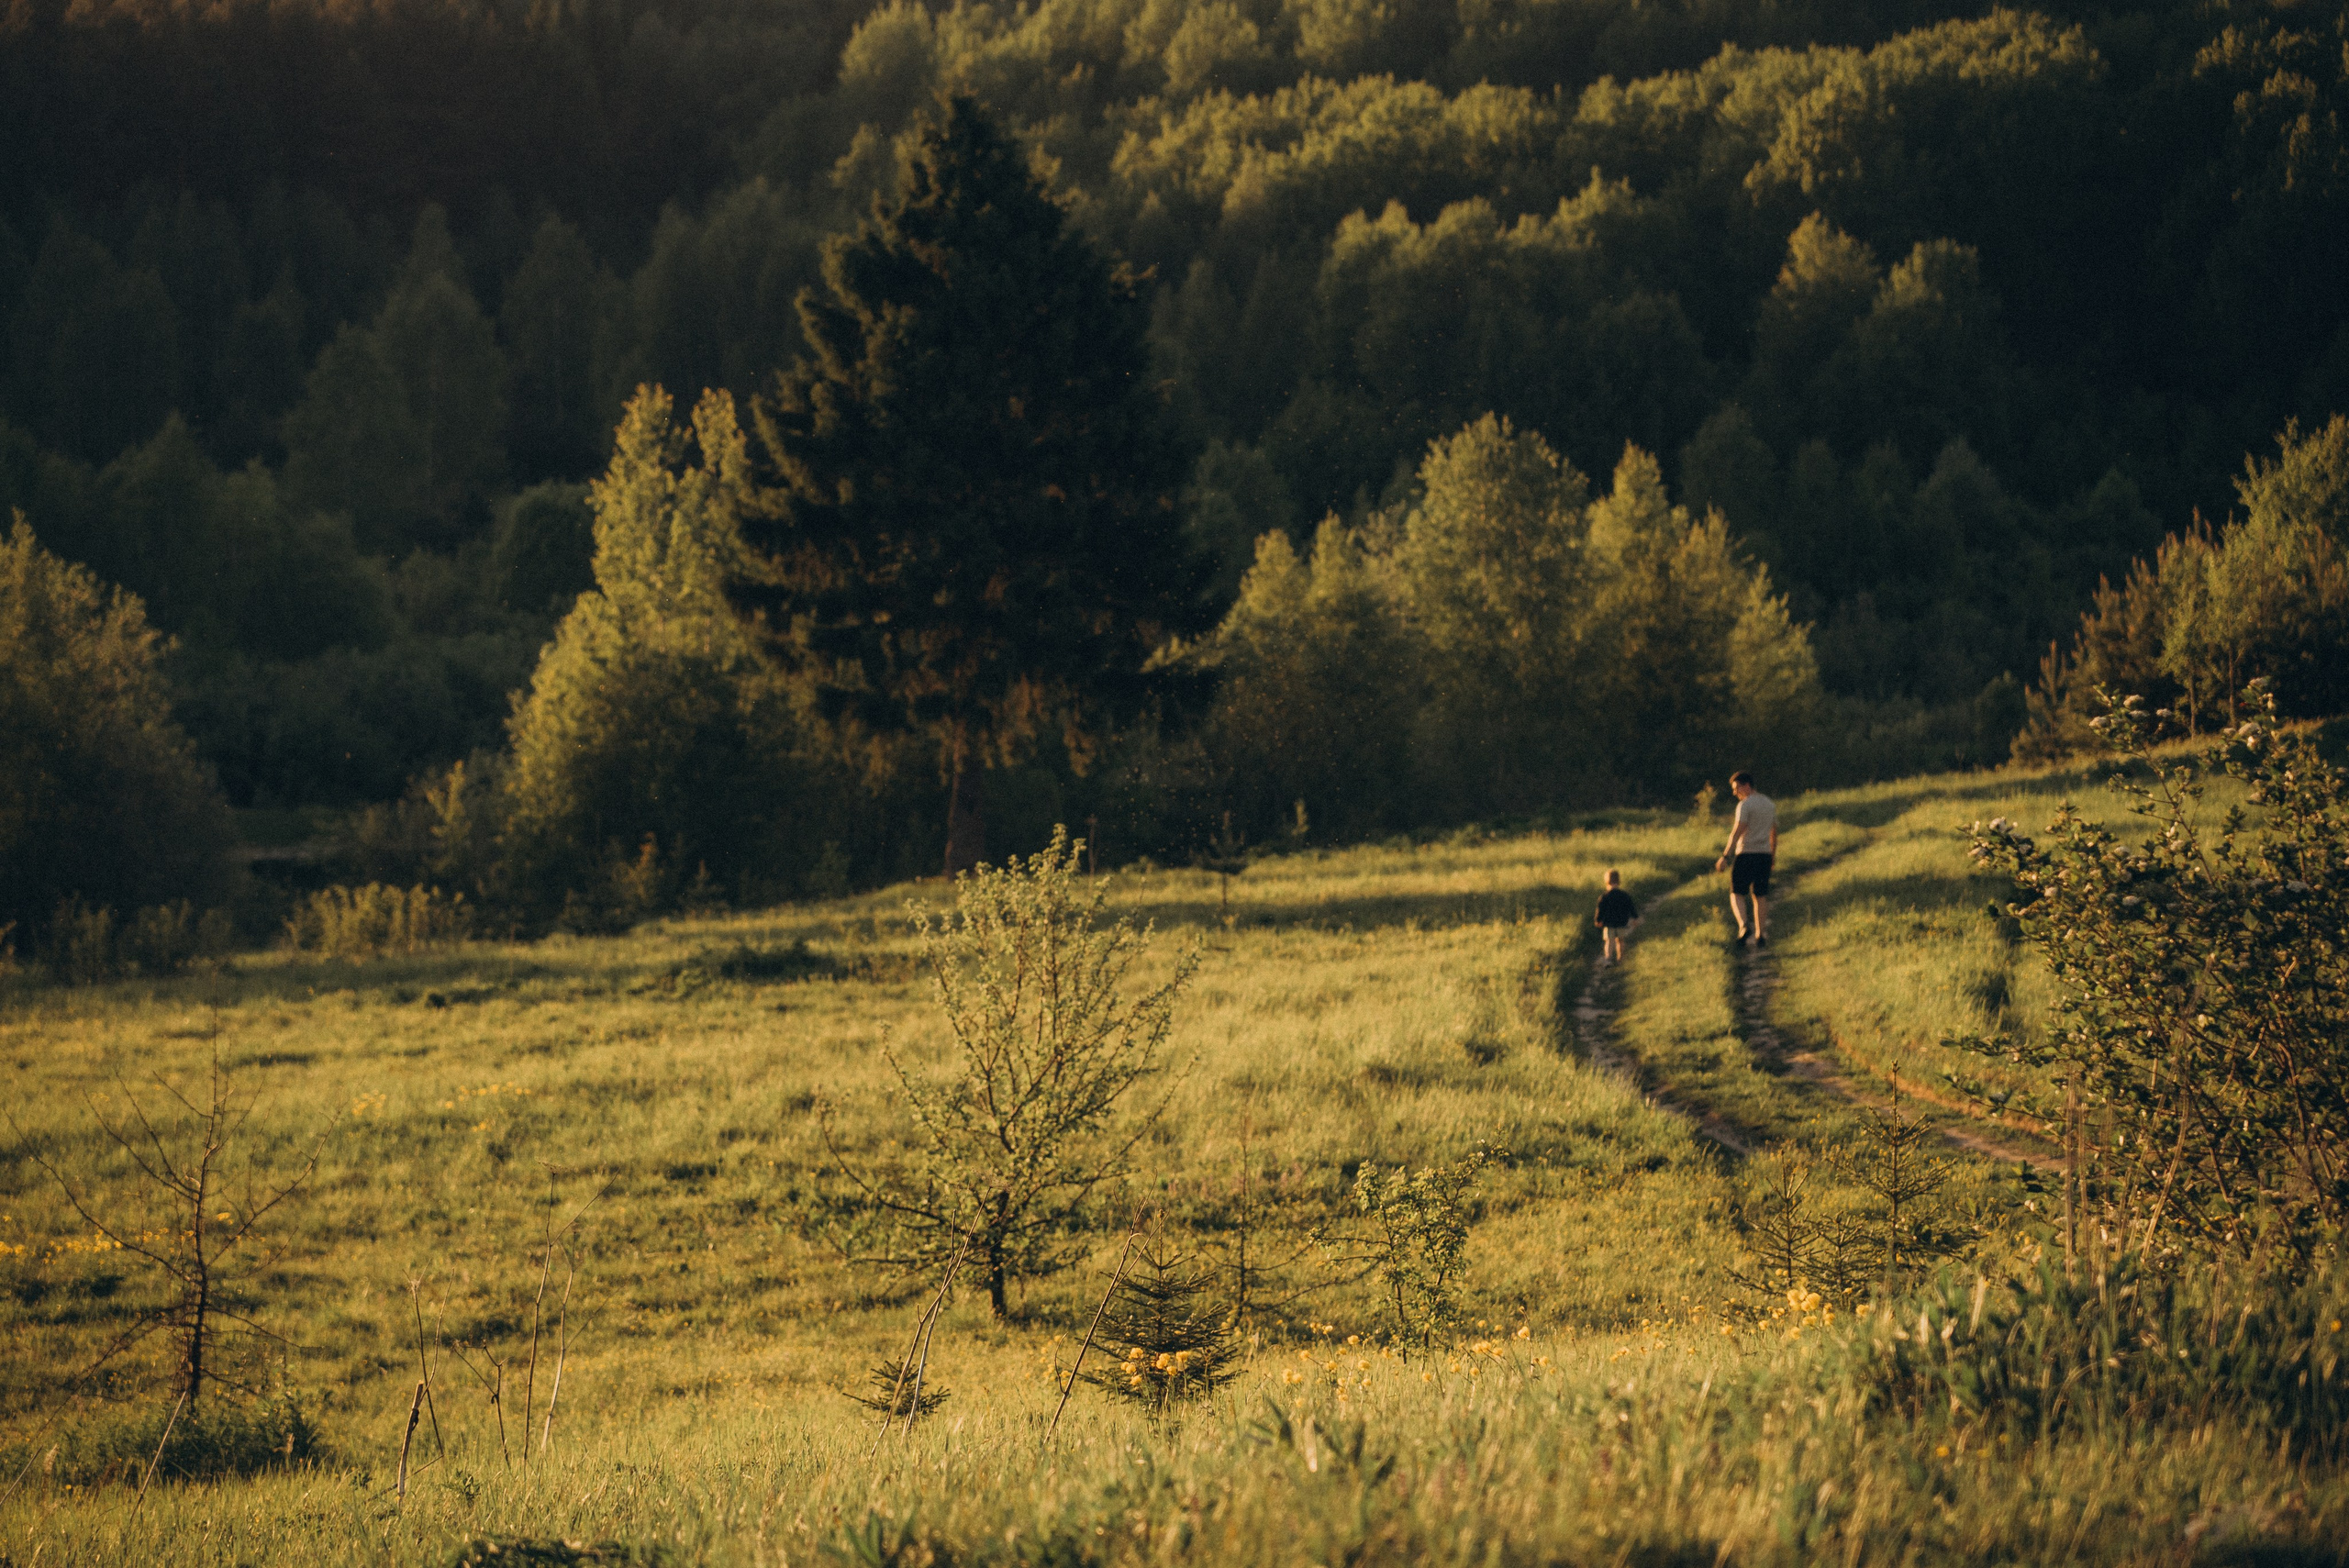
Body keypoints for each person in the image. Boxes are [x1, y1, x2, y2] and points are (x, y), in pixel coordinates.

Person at [1713, 770, 1776, 949]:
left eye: (1736, 788)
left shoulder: (1745, 805)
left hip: (1746, 853)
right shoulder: (1769, 804)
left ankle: (1743, 925)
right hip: (1764, 855)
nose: (1735, 793)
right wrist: (1773, 855)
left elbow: (1737, 831)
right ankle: (1760, 934)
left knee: (1737, 892)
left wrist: (1725, 856)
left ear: (1746, 786)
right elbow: (1774, 833)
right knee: (1760, 895)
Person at [1593, 870, 1640, 964]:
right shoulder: (1624, 895)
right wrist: (1635, 917)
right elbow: (1630, 907)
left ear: (1607, 882)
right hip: (1621, 922)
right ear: (1618, 881)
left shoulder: (1604, 897)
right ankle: (1620, 959)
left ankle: (1608, 959)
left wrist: (1598, 920)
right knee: (1620, 940)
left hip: (1608, 923)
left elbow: (1600, 910)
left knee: (1609, 941)